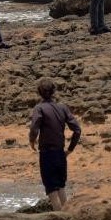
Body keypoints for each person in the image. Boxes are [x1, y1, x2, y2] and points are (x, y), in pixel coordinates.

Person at [28, 78, 82, 211]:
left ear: (39, 92)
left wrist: (31, 140)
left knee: (51, 188)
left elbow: (34, 128)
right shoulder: (62, 108)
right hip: (60, 152)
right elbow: (77, 129)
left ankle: (60, 218)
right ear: (53, 91)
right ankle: (67, 215)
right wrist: (70, 149)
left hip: (47, 153)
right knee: (61, 186)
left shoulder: (39, 108)